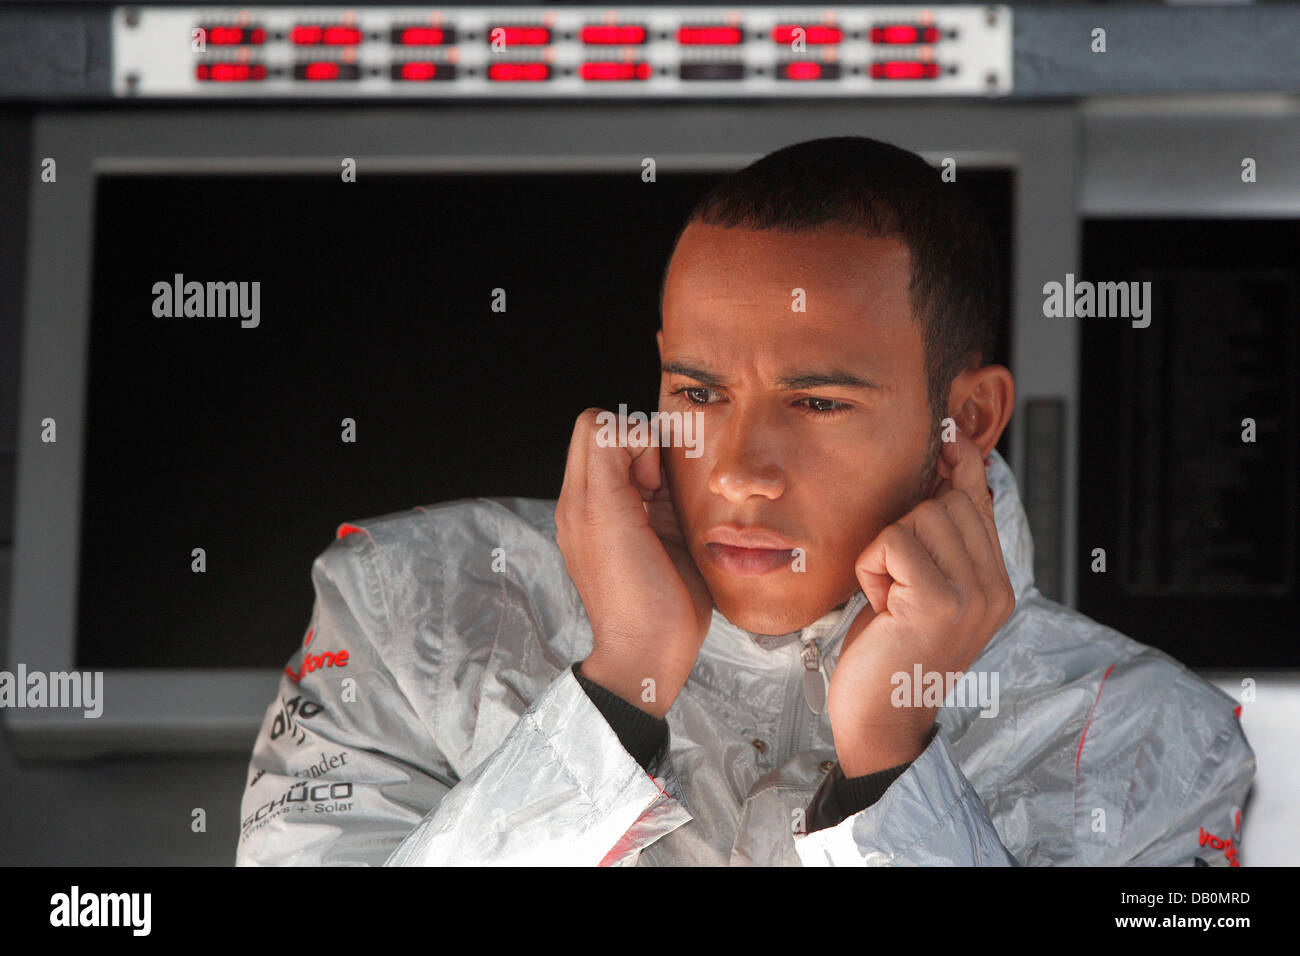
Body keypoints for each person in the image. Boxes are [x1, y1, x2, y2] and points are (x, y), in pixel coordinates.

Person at [236, 136, 1254, 866]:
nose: (736, 470)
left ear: (968, 418)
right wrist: (613, 688)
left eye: (815, 401)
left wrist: (886, 769)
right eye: (699, 393)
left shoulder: (1151, 742)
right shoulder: (403, 608)